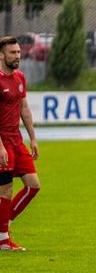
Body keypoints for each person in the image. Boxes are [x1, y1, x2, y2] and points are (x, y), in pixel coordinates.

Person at [0, 36, 41, 252]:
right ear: (1, 55)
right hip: (2, 140)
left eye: (18, 52)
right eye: (13, 53)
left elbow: (24, 108)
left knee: (33, 185)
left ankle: (4, 224)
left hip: (17, 139)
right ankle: (3, 239)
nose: (18, 56)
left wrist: (33, 138)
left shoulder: (20, 77)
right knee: (5, 190)